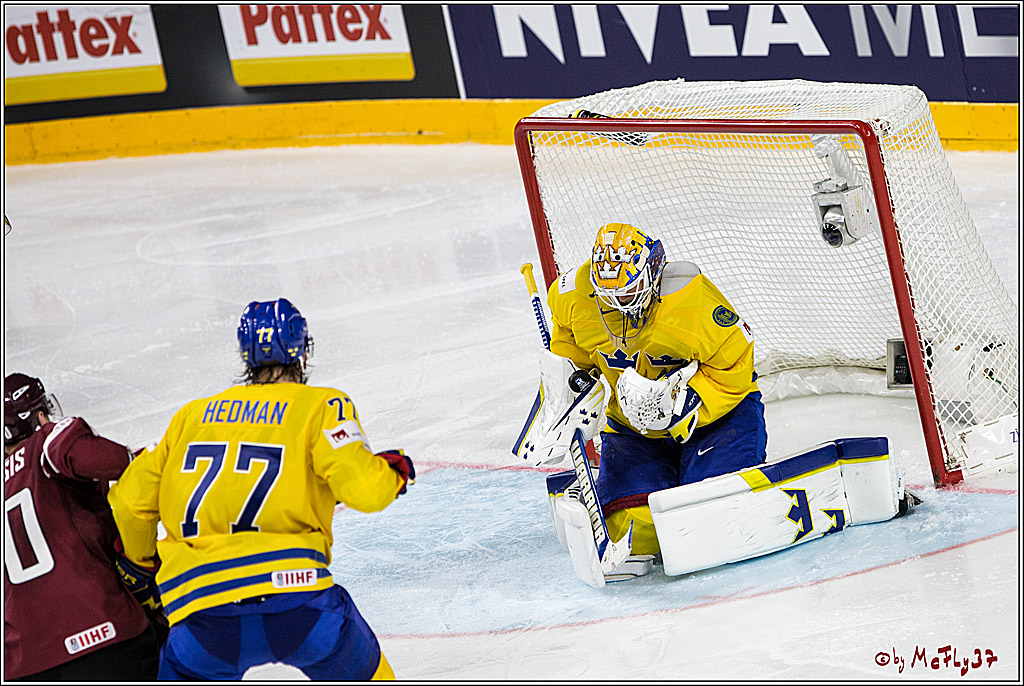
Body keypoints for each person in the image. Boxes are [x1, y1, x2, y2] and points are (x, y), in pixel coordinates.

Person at [107, 298, 414, 680]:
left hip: (202, 615)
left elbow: (130, 503)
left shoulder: (189, 417)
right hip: (300, 605)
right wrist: (393, 474)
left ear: (245, 355)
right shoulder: (321, 405)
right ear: (302, 350)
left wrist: (140, 565)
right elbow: (365, 491)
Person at [531, 222, 767, 557]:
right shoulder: (572, 297)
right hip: (633, 430)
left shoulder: (692, 300)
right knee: (634, 530)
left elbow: (736, 366)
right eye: (607, 296)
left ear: (651, 275)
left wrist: (688, 402)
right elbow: (570, 350)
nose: (618, 304)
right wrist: (571, 388)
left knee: (713, 516)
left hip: (717, 421)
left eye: (627, 294)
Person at [3, 373, 162, 681]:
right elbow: (96, 458)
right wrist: (134, 460)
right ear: (39, 415)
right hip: (103, 638)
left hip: (23, 666)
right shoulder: (45, 442)